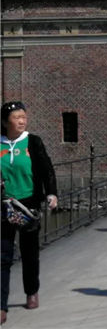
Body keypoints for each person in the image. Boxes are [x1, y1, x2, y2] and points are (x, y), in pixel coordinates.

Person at [1, 101, 58, 325]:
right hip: (4, 205)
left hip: (28, 205)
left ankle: (31, 291)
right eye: (17, 118)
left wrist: (51, 193)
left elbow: (46, 170)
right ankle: (1, 305)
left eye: (23, 117)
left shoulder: (33, 142)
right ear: (5, 122)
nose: (22, 121)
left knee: (29, 253)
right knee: (2, 255)